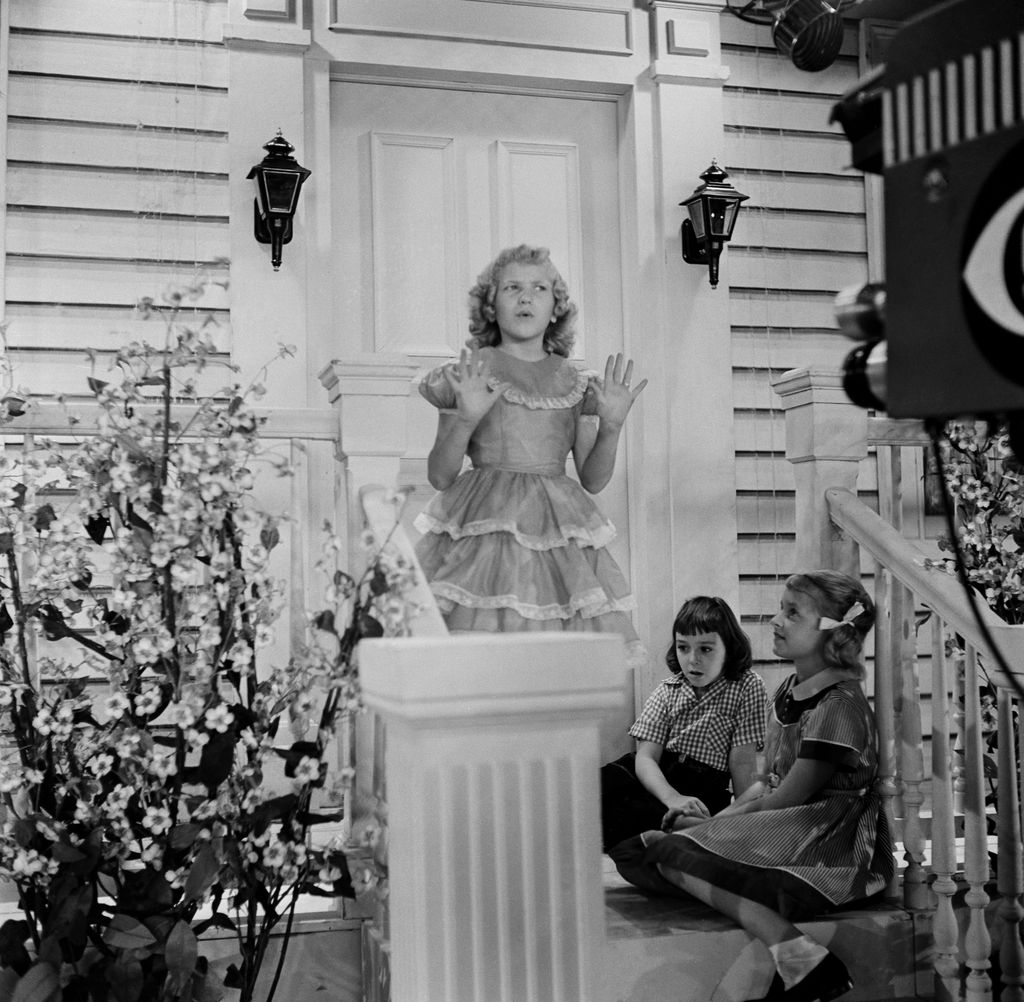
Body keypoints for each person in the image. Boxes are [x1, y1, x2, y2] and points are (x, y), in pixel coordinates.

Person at [608, 570, 894, 1002]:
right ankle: (800, 959)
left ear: (834, 634)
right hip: (784, 819)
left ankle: (796, 951)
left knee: (667, 850)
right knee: (642, 850)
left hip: (825, 837)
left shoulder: (838, 706)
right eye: (781, 608)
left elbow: (787, 798)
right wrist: (718, 823)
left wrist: (712, 830)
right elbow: (766, 780)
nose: (776, 620)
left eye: (792, 613)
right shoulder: (787, 691)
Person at [414, 244, 647, 654]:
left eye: (539, 288)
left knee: (548, 653)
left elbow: (593, 479)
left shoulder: (573, 382)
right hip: (484, 532)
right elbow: (439, 476)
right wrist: (465, 417)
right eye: (511, 288)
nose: (525, 297)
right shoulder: (470, 372)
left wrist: (611, 426)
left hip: (555, 531)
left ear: (556, 307)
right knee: (483, 650)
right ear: (490, 305)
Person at [600, 595, 767, 850]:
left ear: (729, 649)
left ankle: (687, 828)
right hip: (658, 781)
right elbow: (645, 758)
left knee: (638, 816)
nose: (692, 659)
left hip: (702, 788)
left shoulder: (746, 686)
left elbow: (742, 762)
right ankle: (677, 827)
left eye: (706, 649)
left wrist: (744, 817)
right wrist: (672, 797)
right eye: (683, 647)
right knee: (595, 788)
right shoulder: (669, 689)